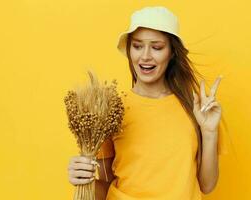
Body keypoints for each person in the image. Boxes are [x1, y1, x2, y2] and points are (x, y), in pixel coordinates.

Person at [68, 6, 229, 200]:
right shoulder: (111, 110)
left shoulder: (194, 106)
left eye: (157, 47)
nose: (145, 56)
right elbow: (107, 185)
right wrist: (84, 180)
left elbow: (207, 185)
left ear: (172, 53)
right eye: (137, 46)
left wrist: (209, 132)